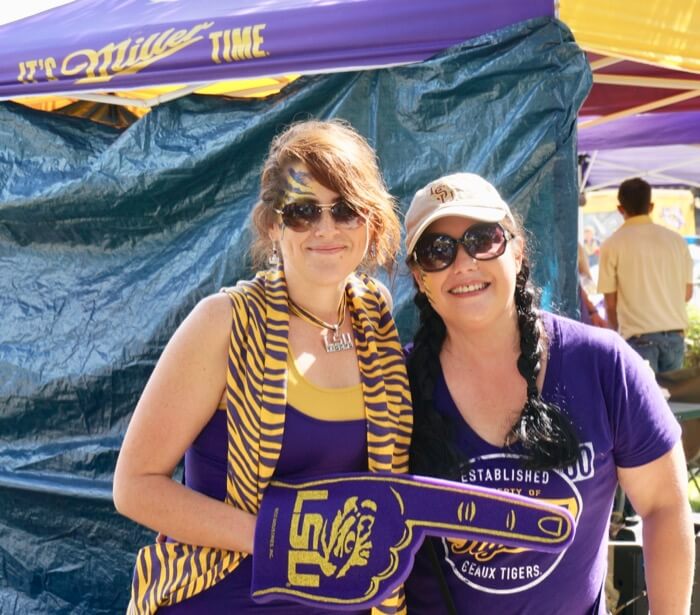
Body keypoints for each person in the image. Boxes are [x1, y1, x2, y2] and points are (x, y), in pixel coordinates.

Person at [113, 119, 412, 614]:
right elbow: (135, 486)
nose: (326, 228)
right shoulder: (224, 322)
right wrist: (278, 540)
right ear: (273, 224)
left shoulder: (373, 316)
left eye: (346, 210)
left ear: (372, 221)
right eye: (301, 212)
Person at [401, 173, 693, 614]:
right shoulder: (391, 384)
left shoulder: (603, 365)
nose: (463, 263)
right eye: (437, 251)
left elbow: (664, 505)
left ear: (516, 251)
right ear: (420, 277)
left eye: (483, 239)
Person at [598, 177, 693, 373]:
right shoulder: (677, 241)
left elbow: (610, 303)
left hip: (638, 339)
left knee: (640, 403)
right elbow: (687, 293)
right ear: (651, 206)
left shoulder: (612, 244)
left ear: (620, 209)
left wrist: (619, 332)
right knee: (673, 403)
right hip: (675, 337)